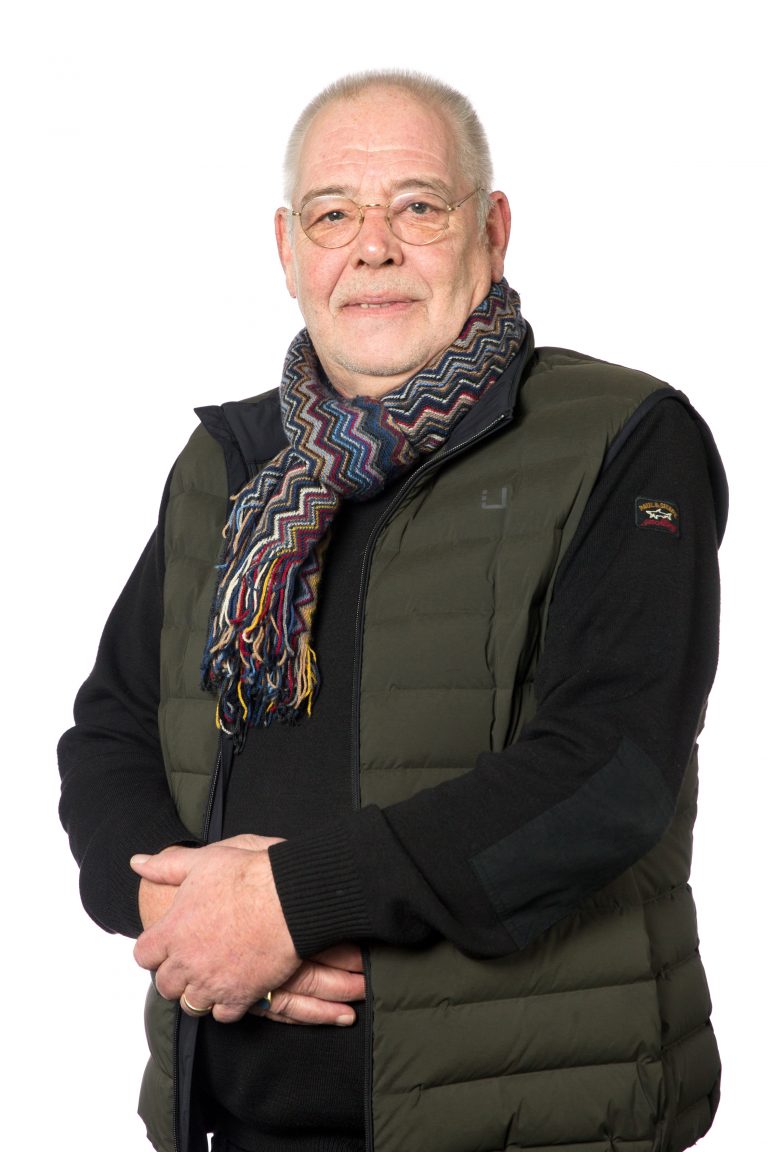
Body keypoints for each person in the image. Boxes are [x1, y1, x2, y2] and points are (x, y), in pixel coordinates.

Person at [58, 69, 727, 1152]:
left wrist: (291, 904)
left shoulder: (621, 437)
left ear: (491, 230)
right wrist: (190, 922)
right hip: (236, 1117)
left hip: (531, 1122)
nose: (372, 247)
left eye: (418, 206)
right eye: (334, 214)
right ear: (288, 249)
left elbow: (611, 770)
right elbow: (112, 732)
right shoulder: (230, 464)